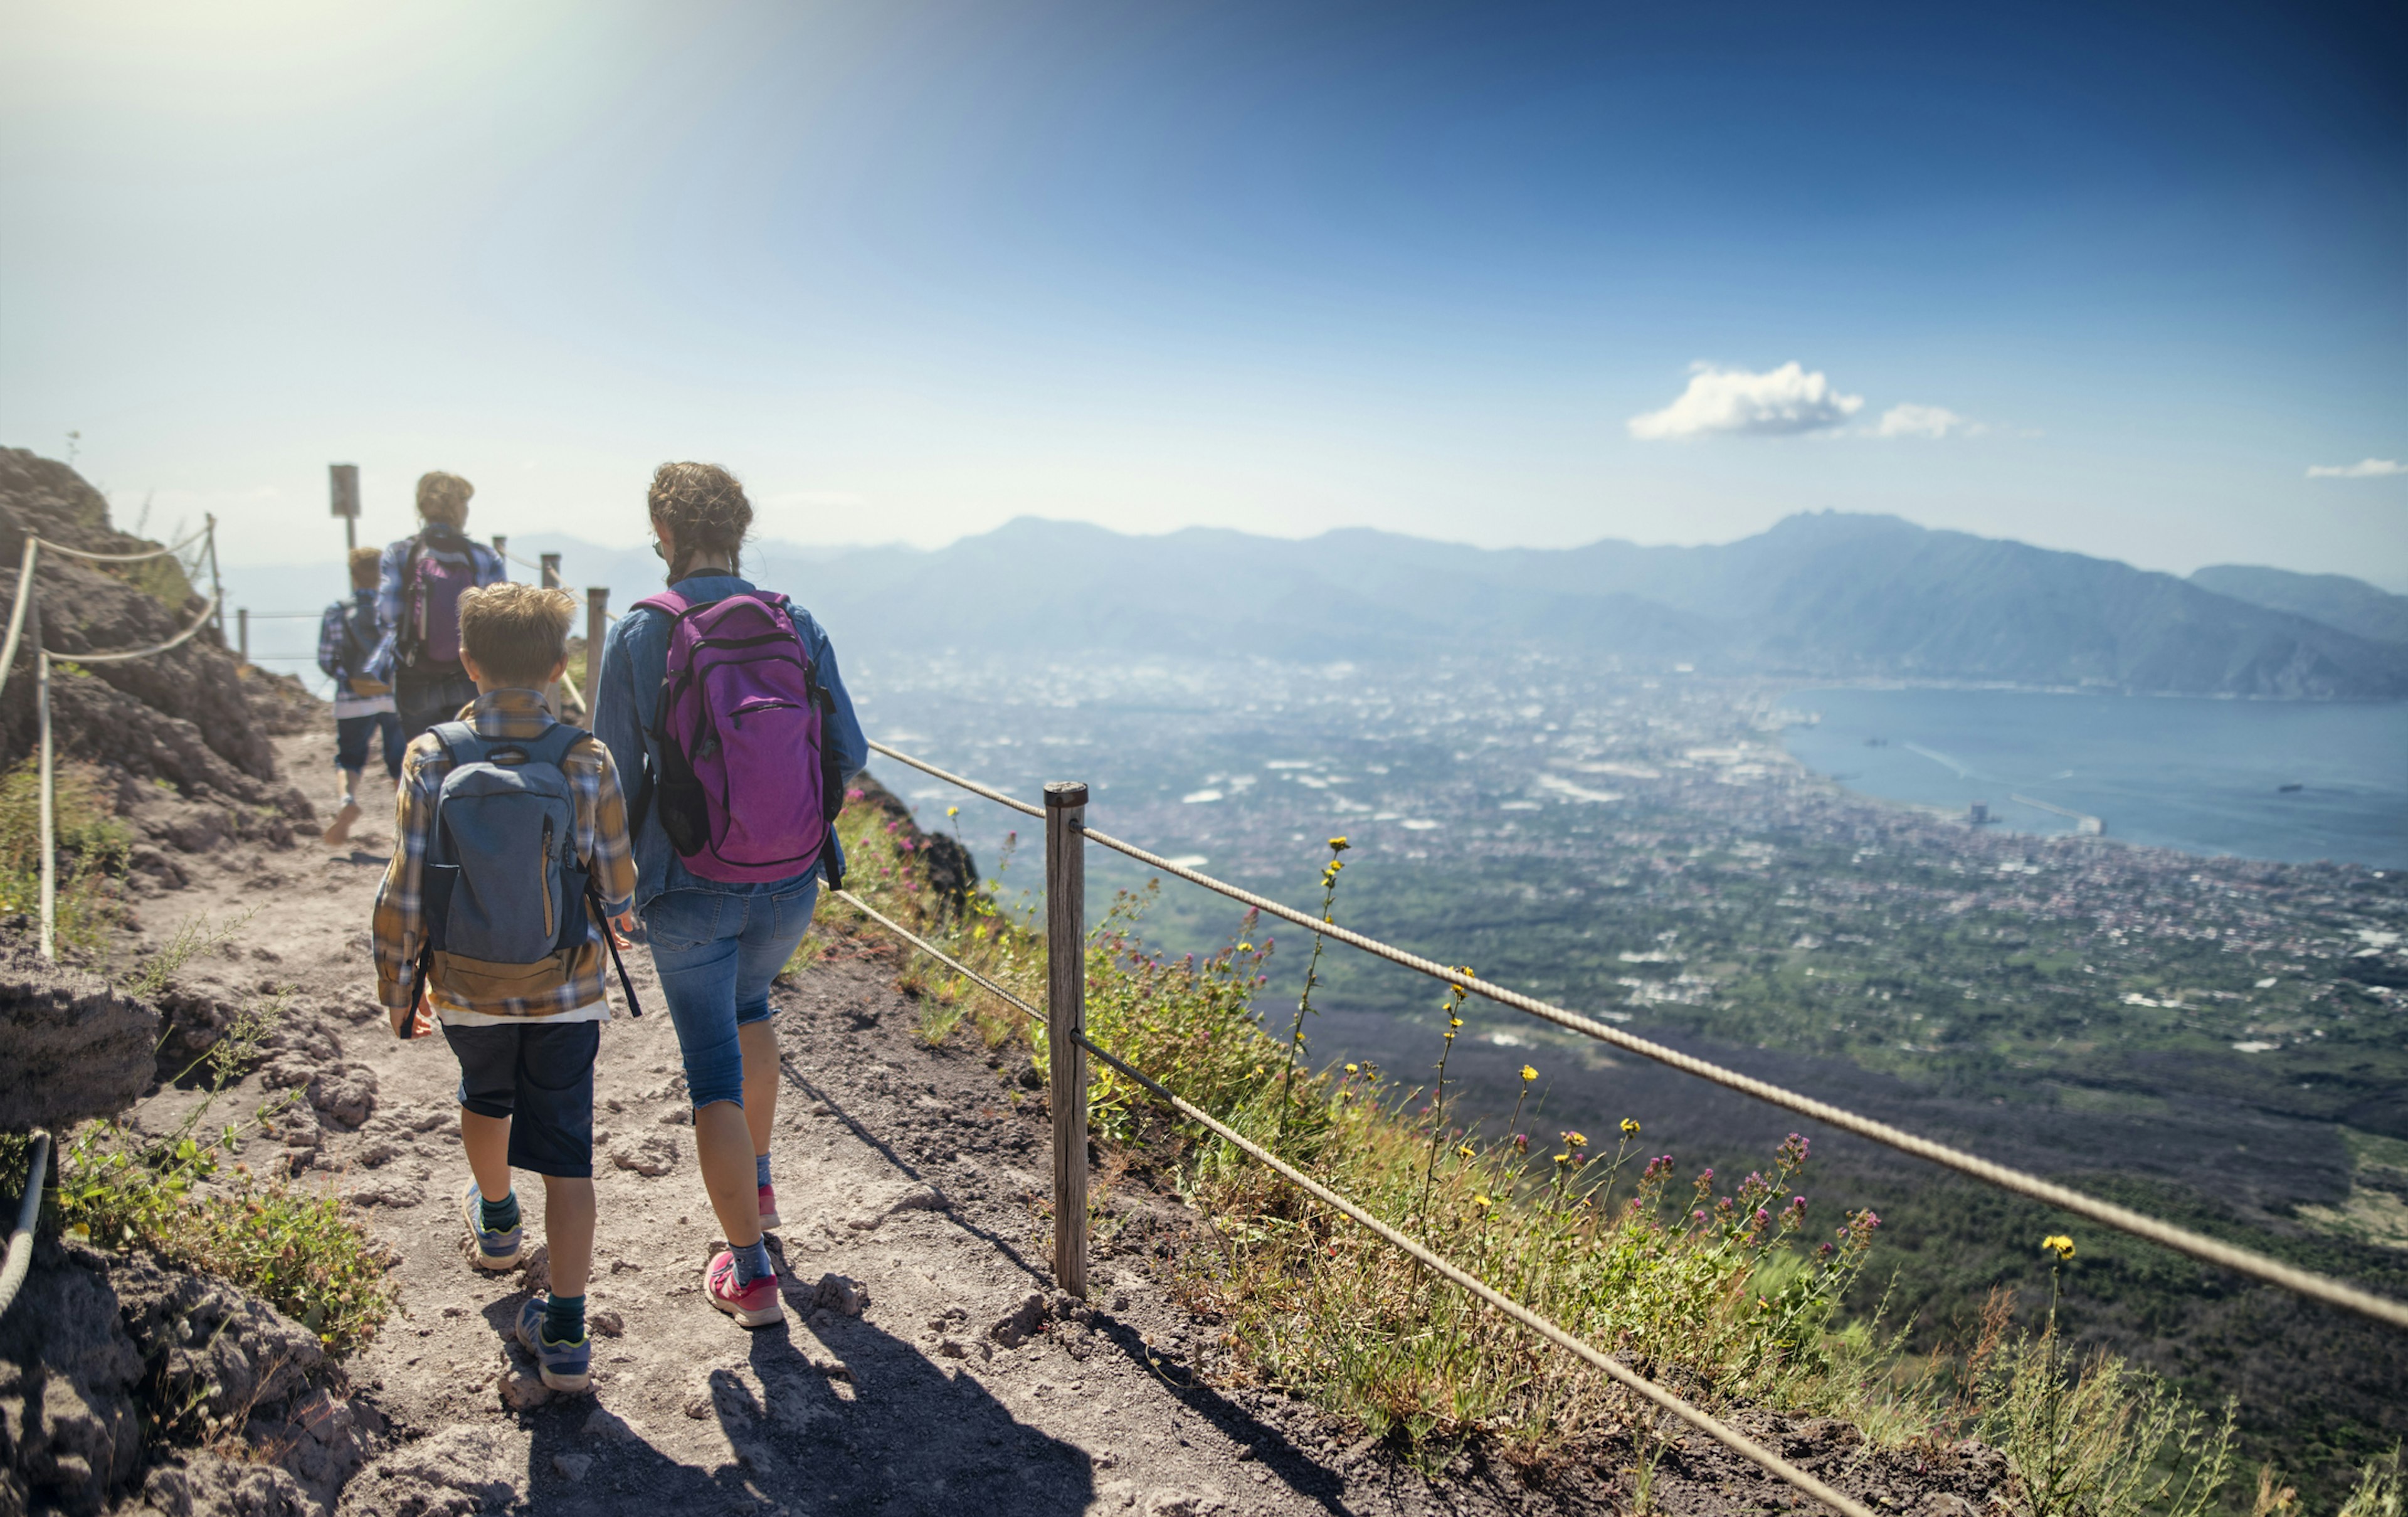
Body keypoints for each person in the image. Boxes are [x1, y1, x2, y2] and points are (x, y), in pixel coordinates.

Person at [593, 461, 866, 1331]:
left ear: (663, 534)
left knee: (710, 1066)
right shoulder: (795, 619)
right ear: (740, 529)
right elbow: (849, 750)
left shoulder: (642, 633)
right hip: (790, 884)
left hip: (688, 885)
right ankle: (760, 1185)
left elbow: (606, 775)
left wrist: (614, 882)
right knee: (754, 1010)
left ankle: (749, 1274)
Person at [372, 582, 637, 1392]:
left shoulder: (431, 754)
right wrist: (612, 917)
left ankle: (495, 1223)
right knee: (567, 1151)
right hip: (565, 989)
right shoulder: (586, 758)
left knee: (484, 1093)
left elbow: (405, 887)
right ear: (562, 663)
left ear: (467, 658)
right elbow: (621, 888)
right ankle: (565, 1332)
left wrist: (400, 983)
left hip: (467, 981)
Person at [378, 470, 508, 743]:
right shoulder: (483, 556)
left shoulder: (401, 553)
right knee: (470, 759)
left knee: (422, 759)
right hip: (469, 674)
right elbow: (502, 618)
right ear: (458, 508)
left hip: (415, 675)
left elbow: (388, 614)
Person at [316, 546, 403, 846]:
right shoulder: (394, 609)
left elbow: (326, 659)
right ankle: (406, 820)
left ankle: (347, 801)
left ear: (353, 575)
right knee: (400, 760)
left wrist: (347, 679)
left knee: (349, 757)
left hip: (352, 698)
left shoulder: (337, 612)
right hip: (393, 697)